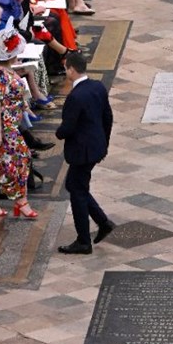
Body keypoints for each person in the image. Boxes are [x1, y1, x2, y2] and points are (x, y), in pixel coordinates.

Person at [55, 49, 114, 255]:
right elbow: (108, 117)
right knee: (75, 185)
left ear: (71, 69)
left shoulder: (75, 96)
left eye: (66, 68)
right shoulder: (97, 87)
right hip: (96, 146)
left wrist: (58, 133)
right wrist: (104, 143)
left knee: (77, 191)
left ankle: (83, 240)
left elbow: (67, 128)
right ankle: (103, 222)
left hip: (82, 151)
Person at [0, 25, 38, 219]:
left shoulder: (7, 71)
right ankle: (21, 201)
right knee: (21, 158)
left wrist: (25, 108)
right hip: (3, 127)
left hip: (8, 124)